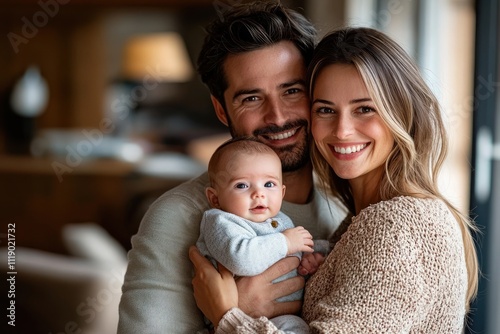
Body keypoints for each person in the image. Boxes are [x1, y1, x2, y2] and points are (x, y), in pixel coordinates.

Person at [189, 26, 479, 333]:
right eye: (326, 110)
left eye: (365, 109)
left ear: (402, 115)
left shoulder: (396, 225)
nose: (342, 130)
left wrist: (228, 315)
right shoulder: (358, 220)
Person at [117, 3, 348, 333]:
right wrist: (236, 314)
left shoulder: (344, 203)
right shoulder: (175, 218)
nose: (278, 116)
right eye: (251, 98)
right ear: (222, 110)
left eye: (292, 90)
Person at [197, 137, 322, 333]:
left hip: (284, 317)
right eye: (242, 185)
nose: (258, 193)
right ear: (215, 198)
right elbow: (241, 260)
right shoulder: (221, 222)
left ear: (281, 193)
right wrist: (286, 242)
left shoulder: (279, 219)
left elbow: (297, 245)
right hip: (239, 318)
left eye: (269, 184)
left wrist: (310, 257)